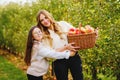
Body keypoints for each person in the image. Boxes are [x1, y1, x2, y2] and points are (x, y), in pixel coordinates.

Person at [36, 9, 83, 80]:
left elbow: (78, 33)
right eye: (42, 20)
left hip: (74, 57)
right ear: (40, 23)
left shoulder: (63, 24)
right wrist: (66, 47)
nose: (45, 21)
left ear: (49, 16)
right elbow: (50, 53)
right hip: (59, 61)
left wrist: (92, 33)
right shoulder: (44, 36)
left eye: (46, 17)